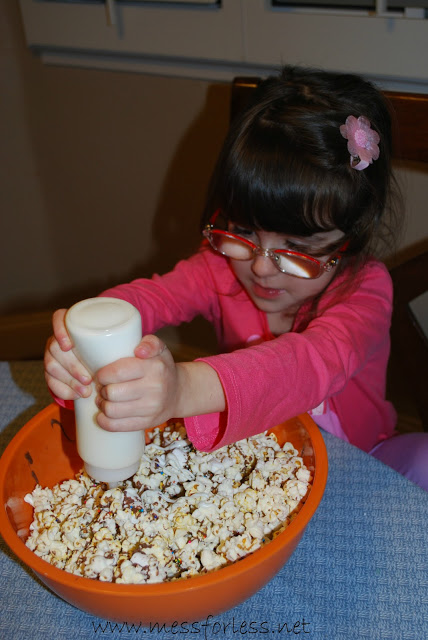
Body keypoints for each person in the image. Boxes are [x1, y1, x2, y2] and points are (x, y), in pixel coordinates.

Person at [44, 65, 428, 491]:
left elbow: (306, 366)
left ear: (351, 238)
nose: (261, 267)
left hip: (362, 460)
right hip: (252, 465)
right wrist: (83, 343)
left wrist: (184, 389)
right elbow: (151, 298)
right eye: (242, 232)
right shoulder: (219, 266)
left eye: (298, 247)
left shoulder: (366, 290)